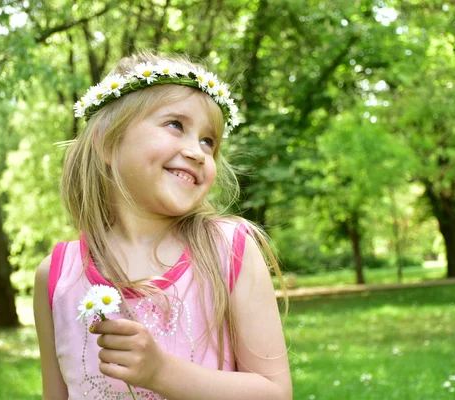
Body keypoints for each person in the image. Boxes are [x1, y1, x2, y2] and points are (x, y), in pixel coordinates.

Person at [33, 52, 292, 400]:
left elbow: (275, 393)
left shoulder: (229, 249)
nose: (199, 152)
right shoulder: (57, 276)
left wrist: (161, 372)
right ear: (108, 141)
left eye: (208, 141)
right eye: (176, 125)